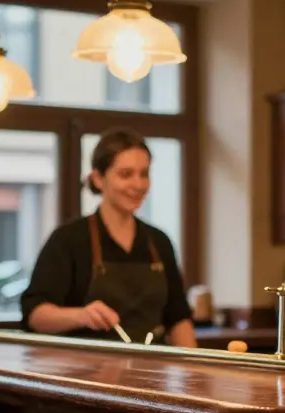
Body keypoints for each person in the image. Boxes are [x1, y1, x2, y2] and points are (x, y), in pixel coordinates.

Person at [21, 127, 198, 348]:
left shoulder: (159, 242)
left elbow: (178, 319)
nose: (138, 184)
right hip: (85, 366)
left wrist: (195, 365)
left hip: (152, 365)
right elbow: (35, 315)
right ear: (98, 178)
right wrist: (81, 315)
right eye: (126, 174)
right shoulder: (68, 240)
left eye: (144, 174)